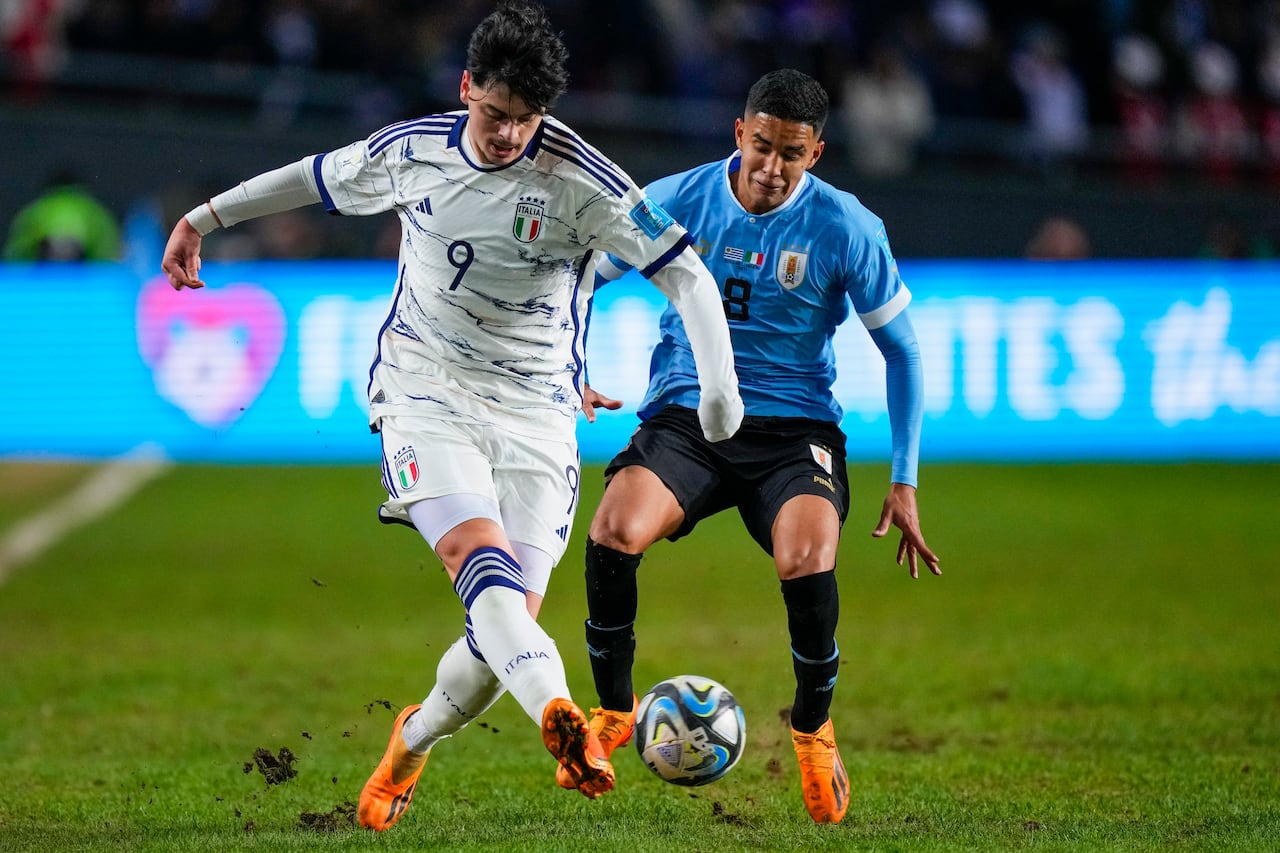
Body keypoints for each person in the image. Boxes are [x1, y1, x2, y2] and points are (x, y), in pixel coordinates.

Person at [159, 0, 742, 833]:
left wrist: (720, 388)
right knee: (482, 567)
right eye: (496, 114)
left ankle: (413, 737)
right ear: (467, 87)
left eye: (526, 121)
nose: (508, 135)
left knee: (499, 632)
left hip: (538, 411)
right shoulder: (411, 153)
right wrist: (204, 217)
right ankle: (563, 716)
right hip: (424, 388)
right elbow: (311, 175)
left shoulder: (584, 179)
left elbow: (686, 273)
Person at [560, 69, 940, 825]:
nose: (771, 167)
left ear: (817, 153)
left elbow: (904, 351)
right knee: (613, 530)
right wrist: (567, 366)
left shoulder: (846, 227)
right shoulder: (676, 198)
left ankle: (811, 729)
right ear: (739, 133)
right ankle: (613, 712)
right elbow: (577, 277)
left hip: (793, 432)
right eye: (760, 146)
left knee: (807, 553)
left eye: (790, 154)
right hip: (686, 418)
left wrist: (904, 479)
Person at [3, 170, 121, 262]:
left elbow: (14, 254)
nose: (61, 258)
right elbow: (112, 255)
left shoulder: (37, 209)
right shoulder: (95, 211)